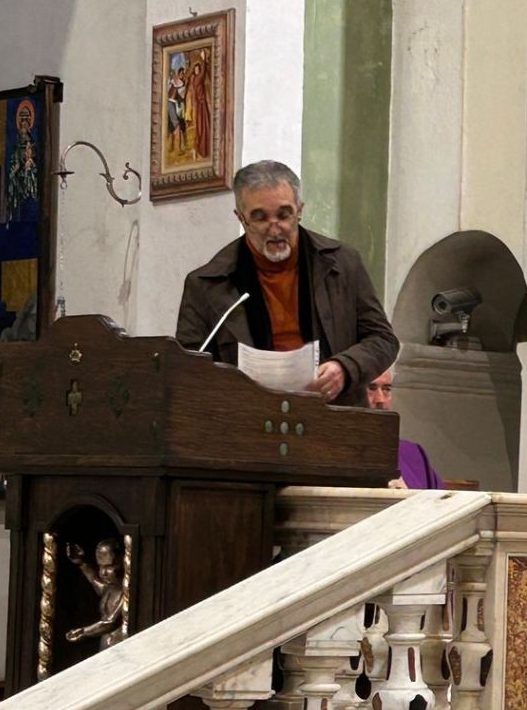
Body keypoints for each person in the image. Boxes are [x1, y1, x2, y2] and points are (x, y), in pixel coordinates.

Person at [175, 160, 397, 406]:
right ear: (241, 218)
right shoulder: (207, 284)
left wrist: (344, 368)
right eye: (260, 218)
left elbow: (383, 340)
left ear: (299, 210)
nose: (275, 229)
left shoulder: (342, 264)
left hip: (333, 419)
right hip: (247, 423)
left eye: (284, 215)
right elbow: (189, 370)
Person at [366, 366, 444, 490]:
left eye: (387, 389)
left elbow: (441, 505)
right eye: (371, 388)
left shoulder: (413, 454)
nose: (380, 400)